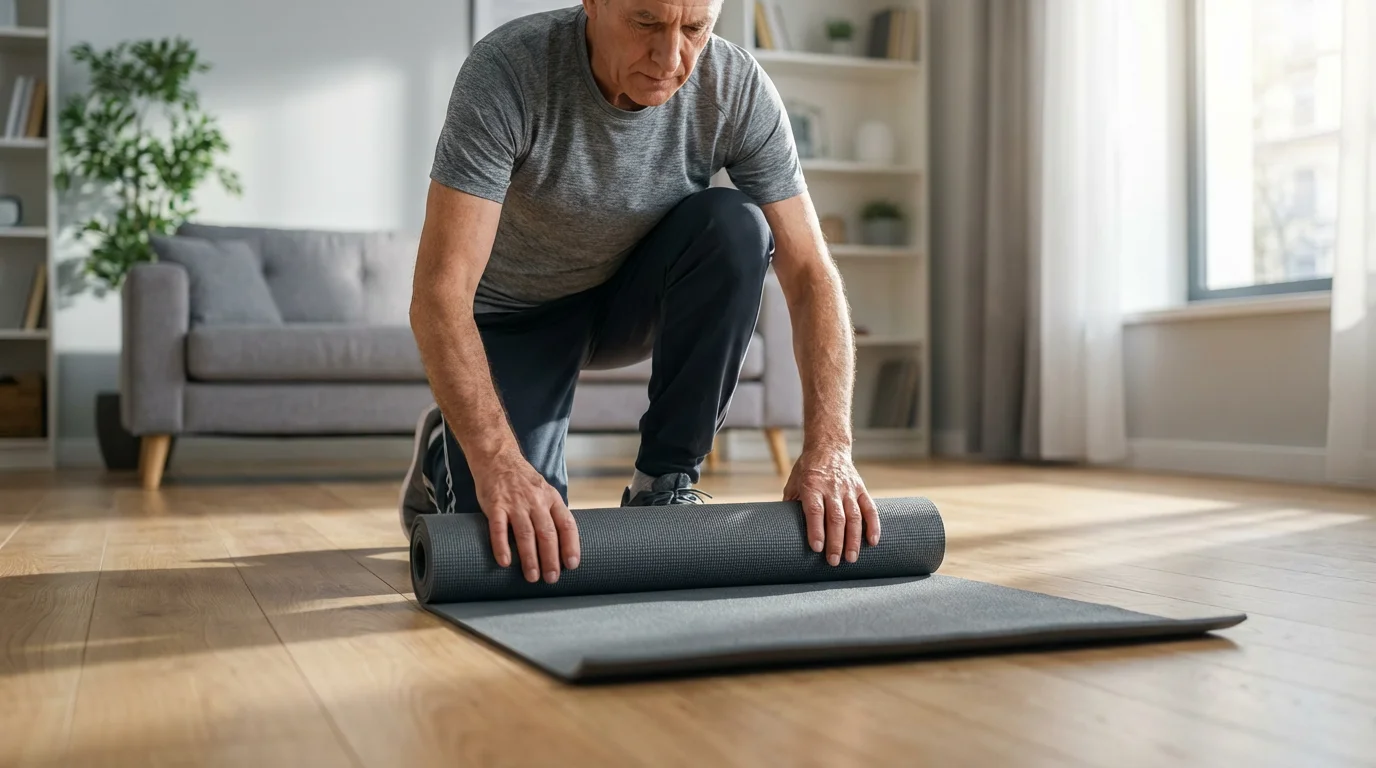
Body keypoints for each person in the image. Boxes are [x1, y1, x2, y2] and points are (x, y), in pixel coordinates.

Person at [400, 0, 880, 586]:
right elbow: (439, 292)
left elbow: (810, 273)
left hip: (628, 303)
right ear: (594, 4)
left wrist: (831, 448)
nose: (670, 56)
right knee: (516, 552)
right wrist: (496, 460)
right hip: (514, 318)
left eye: (695, 28)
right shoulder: (508, 71)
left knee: (736, 224)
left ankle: (665, 481)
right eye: (646, 22)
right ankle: (438, 455)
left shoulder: (735, 87)